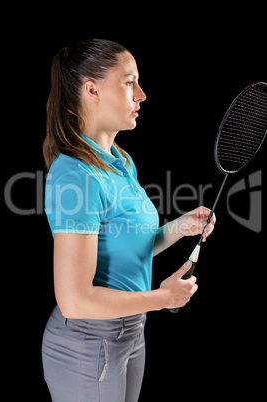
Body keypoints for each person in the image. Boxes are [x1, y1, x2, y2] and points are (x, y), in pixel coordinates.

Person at [41, 38, 215, 402]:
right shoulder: (75, 175)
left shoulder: (120, 160)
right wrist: (160, 297)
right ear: (92, 90)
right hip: (89, 345)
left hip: (130, 333)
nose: (142, 94)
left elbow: (127, 250)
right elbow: (74, 299)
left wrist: (182, 227)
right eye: (128, 82)